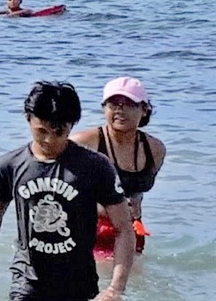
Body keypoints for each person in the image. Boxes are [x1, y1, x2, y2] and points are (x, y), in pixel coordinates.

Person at [0, 82, 134, 301]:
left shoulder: (95, 166)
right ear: (28, 119)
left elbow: (124, 228)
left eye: (59, 132)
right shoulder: (9, 165)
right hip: (27, 283)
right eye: (41, 131)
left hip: (79, 285)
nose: (49, 140)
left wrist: (115, 289)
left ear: (72, 126)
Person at [71, 77, 166, 256]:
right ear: (104, 108)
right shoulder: (83, 143)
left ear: (144, 109)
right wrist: (107, 209)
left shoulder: (155, 149)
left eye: (129, 104)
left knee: (138, 282)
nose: (120, 110)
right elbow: (58, 191)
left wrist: (132, 209)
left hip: (130, 229)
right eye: (113, 104)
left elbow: (138, 192)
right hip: (86, 228)